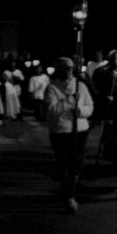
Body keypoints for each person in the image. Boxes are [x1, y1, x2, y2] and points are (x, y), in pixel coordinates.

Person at [44, 56, 95, 213]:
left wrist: (81, 111)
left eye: (70, 68)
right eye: (65, 68)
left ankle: (72, 186)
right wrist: (70, 100)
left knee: (76, 162)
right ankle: (68, 194)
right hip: (61, 131)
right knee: (65, 164)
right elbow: (52, 110)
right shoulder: (52, 88)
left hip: (80, 129)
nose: (68, 72)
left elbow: (89, 105)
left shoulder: (80, 86)